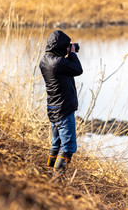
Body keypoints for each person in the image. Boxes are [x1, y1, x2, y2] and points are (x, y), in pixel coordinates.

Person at [39, 30, 83, 176]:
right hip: (64, 109)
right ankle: (58, 179)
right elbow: (78, 69)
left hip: (53, 108)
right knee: (68, 147)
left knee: (56, 143)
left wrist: (67, 52)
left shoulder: (45, 61)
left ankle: (48, 172)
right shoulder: (58, 63)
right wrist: (72, 53)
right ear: (60, 47)